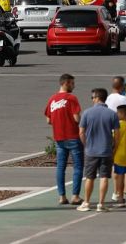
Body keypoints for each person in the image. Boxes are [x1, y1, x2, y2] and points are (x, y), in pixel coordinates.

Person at [76, 88, 119, 212]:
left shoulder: (87, 113)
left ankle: (87, 202)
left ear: (97, 98)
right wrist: (114, 147)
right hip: (106, 150)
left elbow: (81, 132)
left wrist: (86, 144)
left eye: (92, 97)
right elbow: (117, 134)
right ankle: (101, 203)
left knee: (90, 177)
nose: (92, 100)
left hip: (91, 150)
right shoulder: (112, 114)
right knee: (104, 176)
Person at [44, 73, 83, 206]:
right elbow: (77, 118)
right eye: (72, 83)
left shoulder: (52, 99)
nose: (74, 86)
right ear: (66, 83)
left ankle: (61, 196)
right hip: (72, 136)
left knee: (61, 167)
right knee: (77, 166)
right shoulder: (71, 98)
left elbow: (48, 119)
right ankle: (75, 195)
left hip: (59, 137)